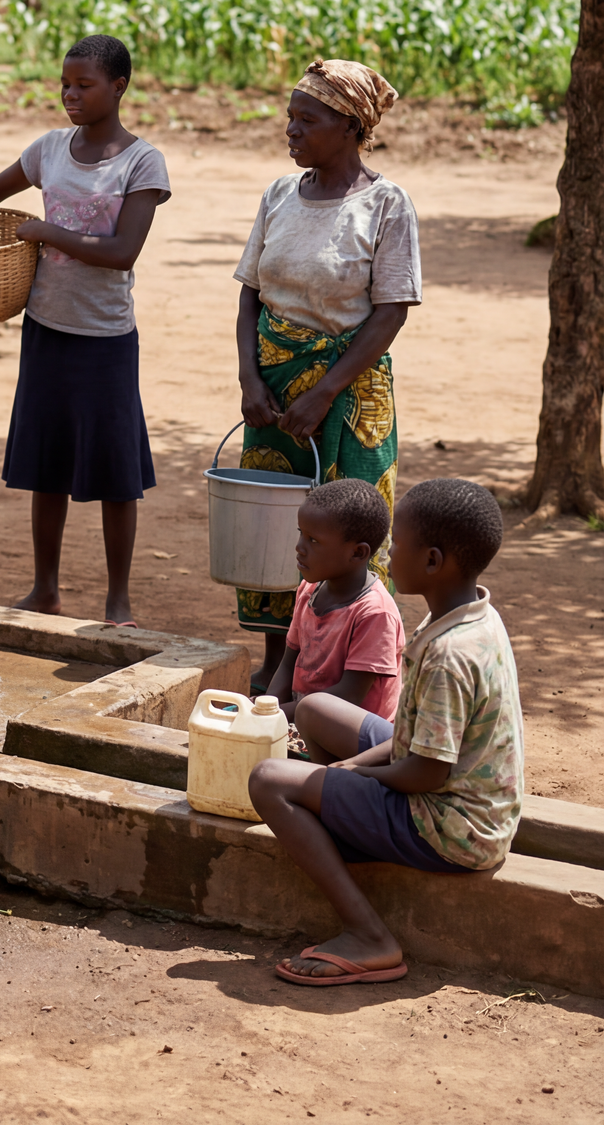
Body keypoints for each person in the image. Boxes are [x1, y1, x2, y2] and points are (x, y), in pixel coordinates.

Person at [0, 34, 169, 626]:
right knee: (46, 463)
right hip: (47, 327)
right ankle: (45, 588)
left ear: (119, 87)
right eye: (65, 85)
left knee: (116, 471)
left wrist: (48, 232)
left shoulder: (142, 163)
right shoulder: (50, 149)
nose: (70, 95)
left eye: (84, 85)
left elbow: (123, 252)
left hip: (105, 337)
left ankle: (119, 600)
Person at [249, 478, 522, 986]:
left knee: (268, 781)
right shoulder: (467, 617)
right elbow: (415, 744)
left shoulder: (449, 654)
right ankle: (335, 807)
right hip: (450, 788)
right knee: (315, 709)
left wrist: (350, 776)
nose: (388, 553)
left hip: (451, 827)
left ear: (433, 562)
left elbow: (426, 773)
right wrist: (346, 772)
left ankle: (368, 935)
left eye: (398, 543)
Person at [234, 57, 421, 691]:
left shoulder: (386, 205)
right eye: (290, 117)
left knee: (347, 529)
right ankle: (277, 664)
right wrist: (249, 380)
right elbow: (251, 295)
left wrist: (324, 392)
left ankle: (354, 670)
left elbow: (390, 312)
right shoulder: (279, 195)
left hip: (349, 394)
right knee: (275, 528)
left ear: (349, 127)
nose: (291, 130)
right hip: (273, 388)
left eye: (306, 120)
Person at [263, 479, 406, 757]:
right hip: (304, 723)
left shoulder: (374, 613)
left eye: (314, 540)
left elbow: (350, 696)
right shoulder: (309, 590)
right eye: (301, 534)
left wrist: (274, 714)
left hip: (354, 743)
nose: (300, 547)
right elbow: (288, 663)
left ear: (358, 553)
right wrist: (266, 707)